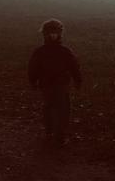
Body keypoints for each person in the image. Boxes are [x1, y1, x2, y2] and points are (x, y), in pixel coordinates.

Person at [28, 18, 81, 146]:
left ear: (59, 34)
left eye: (55, 32)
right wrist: (33, 80)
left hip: (60, 84)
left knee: (59, 108)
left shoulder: (64, 51)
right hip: (49, 84)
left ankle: (58, 134)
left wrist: (77, 79)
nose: (52, 35)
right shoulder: (41, 52)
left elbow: (73, 66)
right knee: (52, 108)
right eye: (50, 32)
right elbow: (33, 67)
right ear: (45, 34)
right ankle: (51, 132)